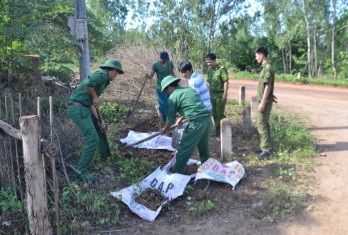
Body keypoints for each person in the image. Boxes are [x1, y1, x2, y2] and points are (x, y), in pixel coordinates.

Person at [67, 59, 124, 181]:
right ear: (113, 70)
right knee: (93, 139)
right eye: (117, 73)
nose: (117, 76)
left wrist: (99, 120)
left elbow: (92, 103)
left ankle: (104, 155)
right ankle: (81, 172)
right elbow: (88, 85)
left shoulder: (104, 81)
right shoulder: (102, 75)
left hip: (84, 107)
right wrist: (95, 96)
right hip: (78, 108)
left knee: (99, 128)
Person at [160, 75, 212, 174]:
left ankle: (177, 172)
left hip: (196, 124)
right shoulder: (190, 90)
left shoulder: (173, 97)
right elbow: (194, 107)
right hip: (208, 120)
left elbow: (170, 119)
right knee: (203, 146)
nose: (167, 93)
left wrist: (164, 130)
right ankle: (207, 168)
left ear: (170, 87)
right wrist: (182, 117)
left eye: (166, 91)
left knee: (184, 148)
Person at [254, 45, 276, 159]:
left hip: (264, 101)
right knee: (264, 124)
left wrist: (262, 102)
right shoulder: (265, 67)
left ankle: (266, 150)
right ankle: (265, 146)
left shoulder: (267, 68)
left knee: (261, 124)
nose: (256, 58)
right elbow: (268, 85)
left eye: (256, 55)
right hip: (266, 99)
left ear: (261, 55)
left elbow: (268, 86)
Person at [147, 51, 176, 122]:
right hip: (161, 88)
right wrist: (147, 76)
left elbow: (173, 73)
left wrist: (175, 82)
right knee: (165, 106)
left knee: (170, 103)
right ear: (160, 58)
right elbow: (151, 76)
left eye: (166, 59)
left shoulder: (170, 63)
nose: (165, 61)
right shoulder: (156, 65)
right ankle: (166, 121)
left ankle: (159, 108)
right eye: (163, 59)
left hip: (169, 87)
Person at [205, 53, 229, 139]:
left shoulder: (221, 70)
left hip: (220, 95)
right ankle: (217, 130)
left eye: (210, 62)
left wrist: (225, 94)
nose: (208, 64)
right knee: (214, 114)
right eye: (207, 63)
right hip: (213, 95)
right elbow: (209, 83)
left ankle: (223, 132)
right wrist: (209, 94)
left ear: (214, 61)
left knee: (220, 114)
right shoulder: (209, 71)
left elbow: (226, 81)